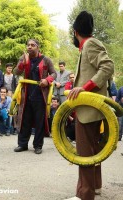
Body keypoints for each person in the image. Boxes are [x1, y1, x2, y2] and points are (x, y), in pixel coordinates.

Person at [65, 11, 114, 200]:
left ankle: (84, 195)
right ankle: (95, 186)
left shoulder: (90, 44)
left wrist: (84, 88)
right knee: (93, 150)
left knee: (85, 152)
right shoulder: (89, 45)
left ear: (75, 31)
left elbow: (108, 66)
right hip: (93, 108)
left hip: (88, 108)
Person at [13, 38, 56, 154]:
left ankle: (38, 146)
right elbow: (16, 72)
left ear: (38, 47)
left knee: (39, 121)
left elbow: (54, 73)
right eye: (28, 45)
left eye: (33, 45)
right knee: (24, 120)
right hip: (26, 94)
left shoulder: (46, 59)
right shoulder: (23, 58)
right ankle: (22, 144)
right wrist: (23, 63)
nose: (30, 47)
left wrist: (47, 80)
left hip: (40, 95)